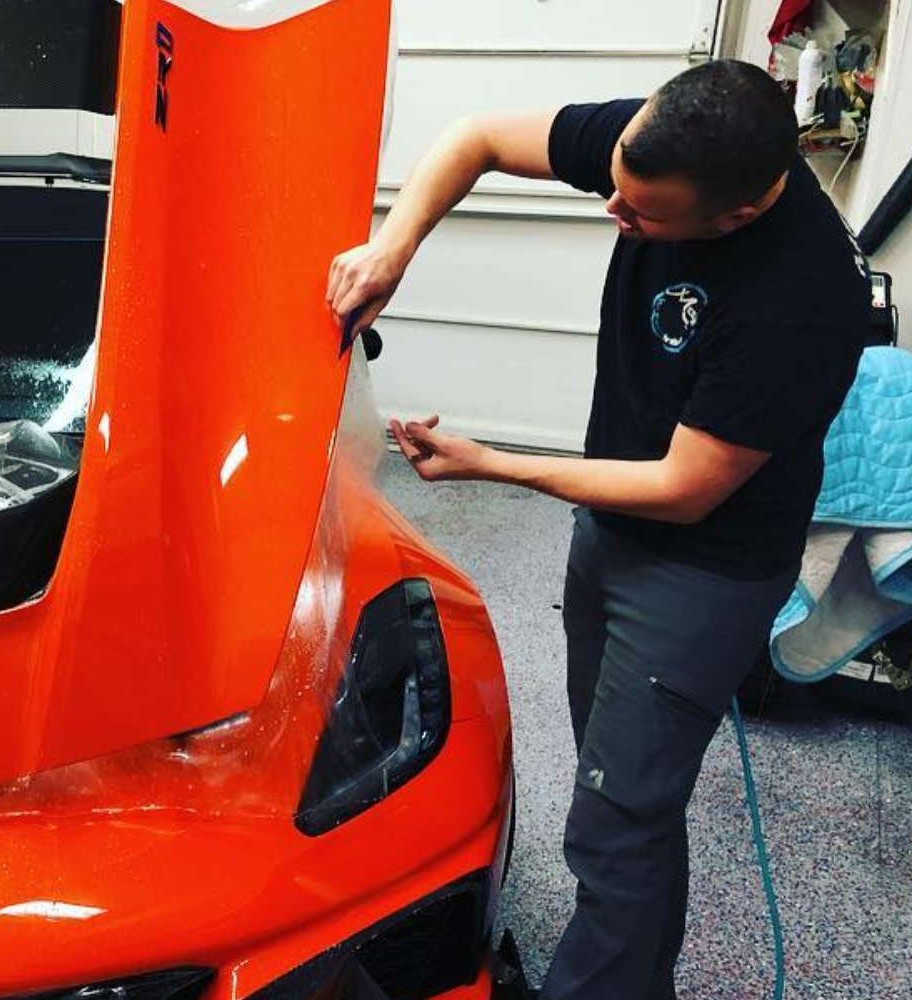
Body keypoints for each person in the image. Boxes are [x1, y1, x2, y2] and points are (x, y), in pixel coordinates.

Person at [328, 60, 875, 1000]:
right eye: (615, 190)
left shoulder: (803, 301)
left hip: (703, 568)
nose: (613, 216)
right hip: (612, 521)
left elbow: (685, 488)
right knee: (621, 788)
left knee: (618, 818)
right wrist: (394, 248)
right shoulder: (659, 141)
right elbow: (478, 138)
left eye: (640, 215)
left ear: (736, 215)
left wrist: (489, 463)